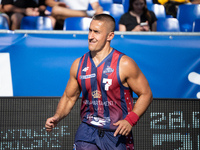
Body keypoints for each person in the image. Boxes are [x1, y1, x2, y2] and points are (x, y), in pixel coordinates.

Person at [45, 14, 153, 150]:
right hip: (87, 132)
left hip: (116, 133)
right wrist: (57, 117)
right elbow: (69, 97)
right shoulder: (78, 64)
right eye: (90, 30)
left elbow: (146, 94)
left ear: (110, 36)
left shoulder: (124, 64)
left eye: (96, 32)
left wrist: (130, 120)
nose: (91, 36)